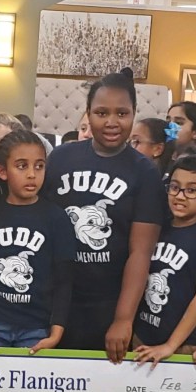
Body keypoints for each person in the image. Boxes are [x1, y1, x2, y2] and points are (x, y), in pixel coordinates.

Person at [41, 69, 165, 362]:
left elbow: (140, 252)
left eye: (122, 113)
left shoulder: (145, 172)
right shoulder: (60, 158)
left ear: (134, 113)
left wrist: (123, 319)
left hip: (108, 303)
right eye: (101, 113)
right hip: (54, 298)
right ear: (88, 114)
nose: (111, 122)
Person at [0, 129, 74, 352]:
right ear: (2, 171)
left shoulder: (56, 218)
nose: (32, 174)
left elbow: (64, 281)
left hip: (37, 328)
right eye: (22, 166)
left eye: (39, 166)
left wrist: (56, 333)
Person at [133, 154, 196, 367]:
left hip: (183, 345)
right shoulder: (159, 225)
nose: (180, 196)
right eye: (174, 187)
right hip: (143, 337)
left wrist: (171, 345)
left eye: (191, 190)